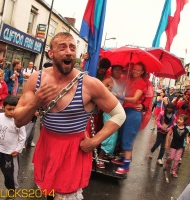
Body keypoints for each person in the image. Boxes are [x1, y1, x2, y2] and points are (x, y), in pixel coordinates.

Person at [13, 32, 126, 200]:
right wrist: (36, 101)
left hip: (73, 150)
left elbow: (119, 114)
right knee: (50, 194)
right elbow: (18, 120)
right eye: (62, 47)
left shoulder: (89, 84)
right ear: (51, 54)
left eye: (72, 48)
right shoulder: (37, 79)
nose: (69, 52)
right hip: (48, 146)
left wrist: (95, 141)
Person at [112, 62, 148, 174]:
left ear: (142, 72)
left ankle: (126, 165)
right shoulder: (129, 79)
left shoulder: (142, 83)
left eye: (138, 70)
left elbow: (134, 99)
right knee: (122, 135)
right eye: (134, 69)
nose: (135, 72)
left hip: (133, 113)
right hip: (125, 111)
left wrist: (118, 96)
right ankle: (123, 159)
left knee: (128, 138)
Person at [97, 64, 125, 168]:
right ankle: (100, 157)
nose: (118, 72)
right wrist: (107, 91)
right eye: (116, 70)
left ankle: (105, 155)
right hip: (109, 110)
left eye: (120, 70)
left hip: (119, 111)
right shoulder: (109, 80)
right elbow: (98, 90)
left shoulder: (122, 82)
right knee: (109, 134)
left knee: (114, 135)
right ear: (112, 71)